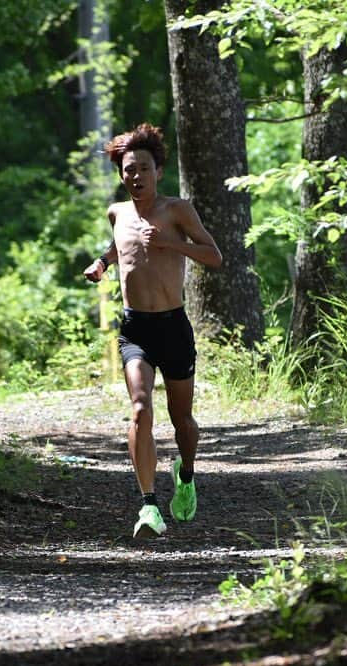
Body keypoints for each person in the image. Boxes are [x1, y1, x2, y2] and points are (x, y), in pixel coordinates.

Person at [83, 123, 222, 539]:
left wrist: (170, 243)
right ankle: (148, 507)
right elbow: (118, 245)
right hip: (135, 328)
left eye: (144, 168)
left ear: (158, 171)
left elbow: (213, 256)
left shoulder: (177, 210)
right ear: (121, 174)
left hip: (173, 326)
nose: (136, 176)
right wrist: (102, 264)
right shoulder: (117, 213)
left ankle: (187, 473)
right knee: (140, 408)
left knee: (183, 422)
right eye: (129, 169)